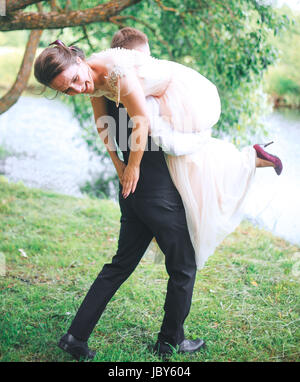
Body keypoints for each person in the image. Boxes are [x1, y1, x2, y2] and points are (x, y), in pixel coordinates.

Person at [34, 30, 283, 358]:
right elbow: (105, 125)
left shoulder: (112, 71)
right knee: (184, 265)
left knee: (120, 265)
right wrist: (120, 166)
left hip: (139, 183)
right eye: (68, 90)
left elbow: (141, 119)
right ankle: (170, 341)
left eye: (76, 80)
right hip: (150, 192)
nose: (79, 88)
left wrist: (131, 166)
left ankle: (75, 337)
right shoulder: (93, 78)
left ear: (79, 60)